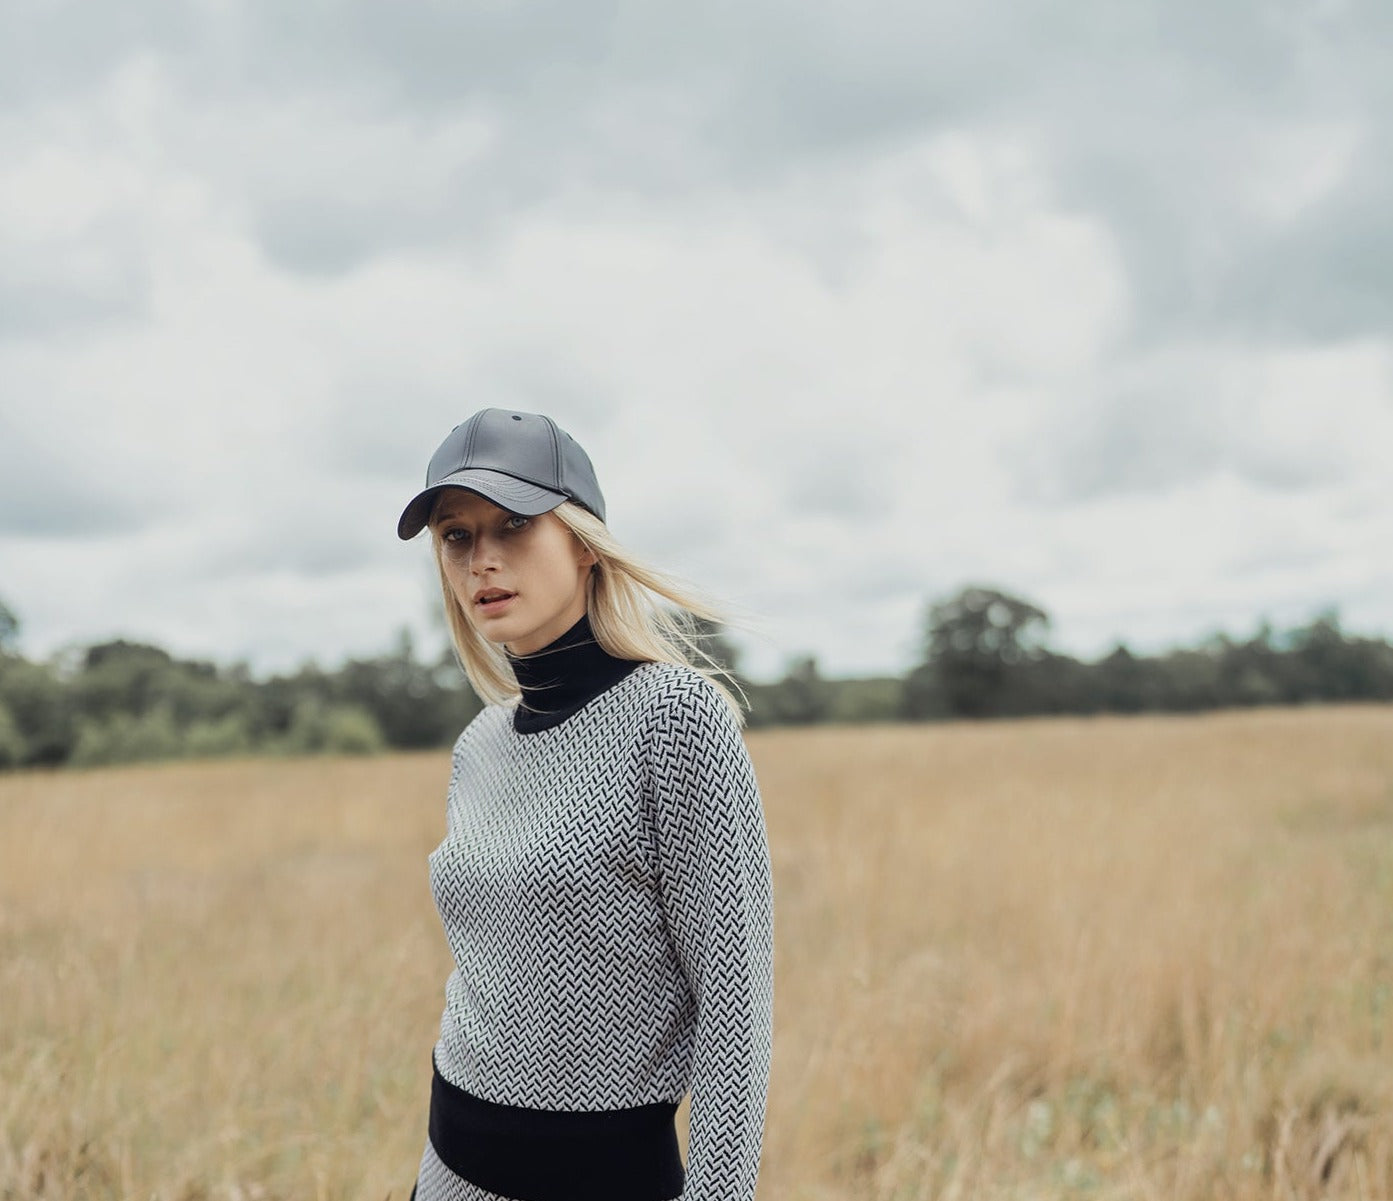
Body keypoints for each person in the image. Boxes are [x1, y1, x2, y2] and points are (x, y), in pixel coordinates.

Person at [395, 408, 775, 1201]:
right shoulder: (480, 744)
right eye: (456, 536)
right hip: (450, 1167)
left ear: (581, 541)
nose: (481, 561)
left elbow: (734, 1014)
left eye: (512, 524)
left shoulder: (673, 718)